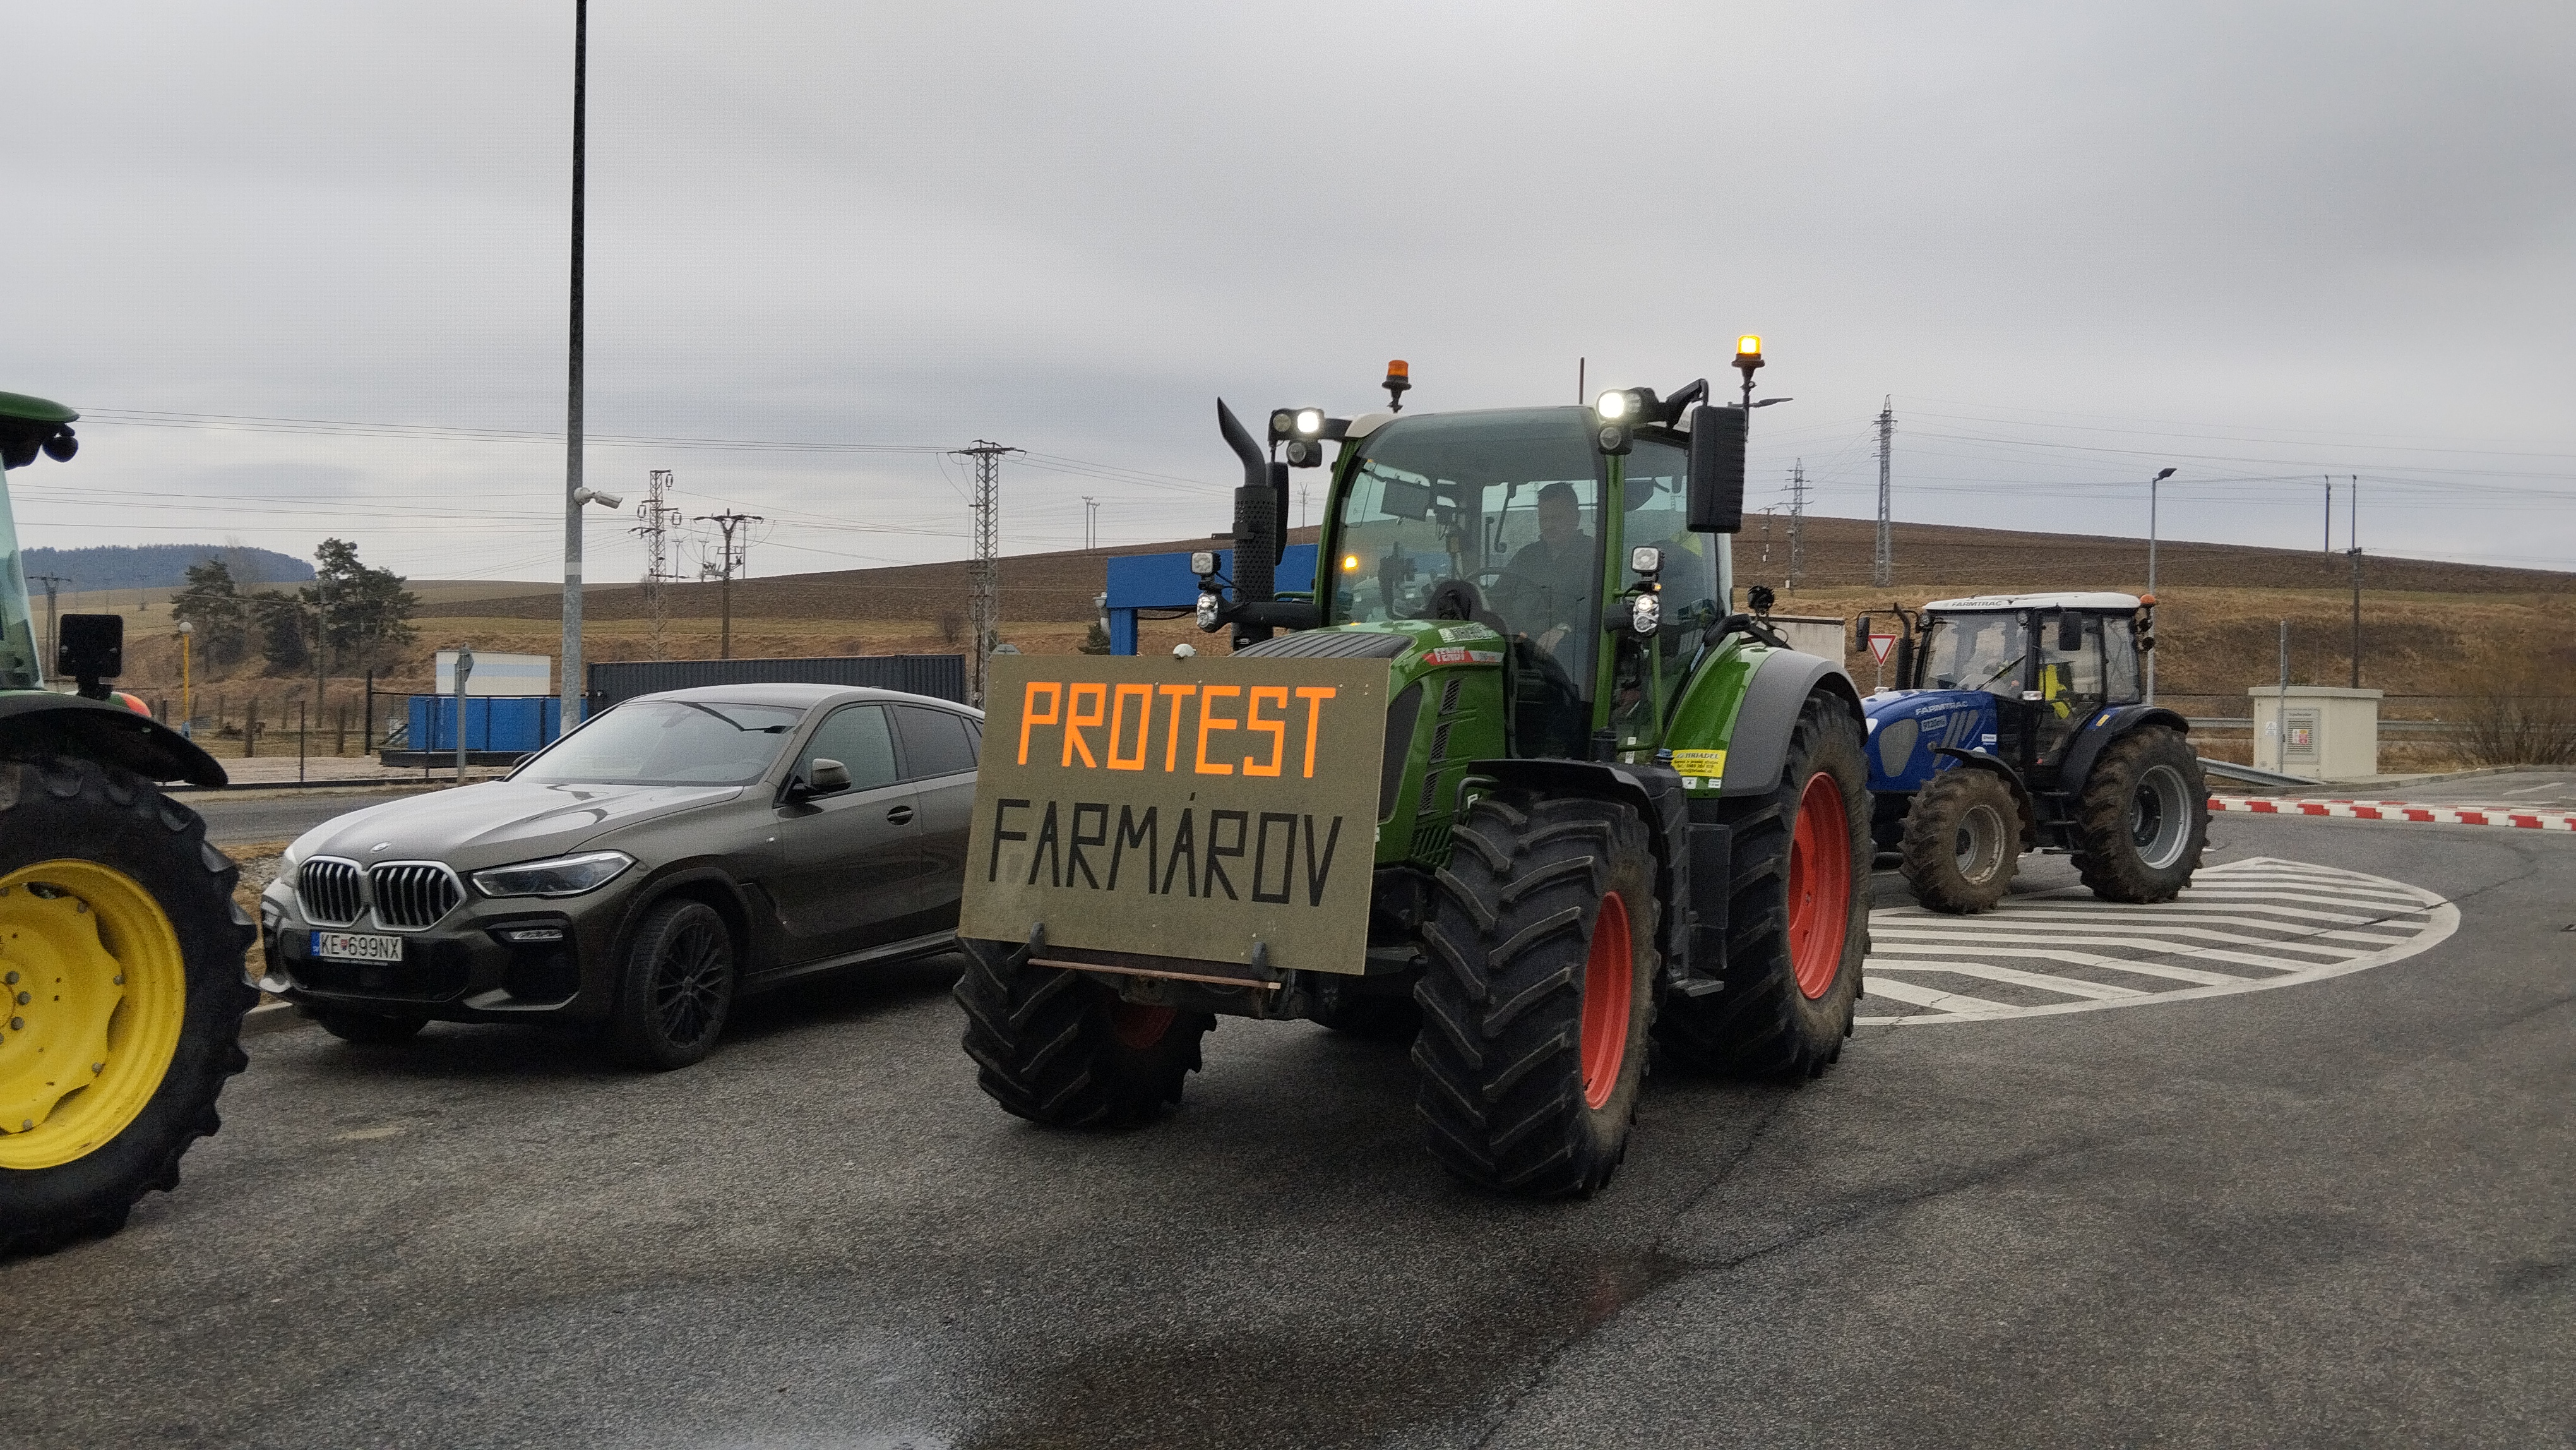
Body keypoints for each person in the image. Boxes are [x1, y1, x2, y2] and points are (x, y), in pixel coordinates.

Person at [1503, 481, 1595, 658]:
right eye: (1543, 519)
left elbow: (1595, 600)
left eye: (1556, 519)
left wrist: (1564, 627)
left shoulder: (1593, 553)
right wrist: (1509, 628)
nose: (1548, 526)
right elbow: (1500, 595)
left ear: (1576, 518)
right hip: (1519, 642)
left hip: (1567, 647)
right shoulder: (1526, 556)